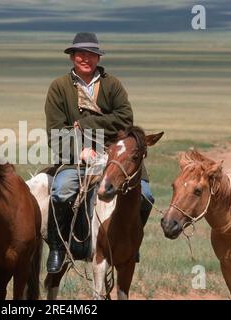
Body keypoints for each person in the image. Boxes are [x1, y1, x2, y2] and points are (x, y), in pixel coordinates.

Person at [44, 32, 155, 273]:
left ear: (98, 58)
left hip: (117, 156)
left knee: (146, 196)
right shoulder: (59, 88)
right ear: (72, 57)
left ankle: (132, 244)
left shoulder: (112, 85)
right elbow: (55, 133)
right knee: (61, 192)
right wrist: (80, 152)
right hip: (77, 160)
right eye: (81, 54)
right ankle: (58, 247)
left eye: (91, 54)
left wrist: (85, 125)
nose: (86, 58)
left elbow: (126, 120)